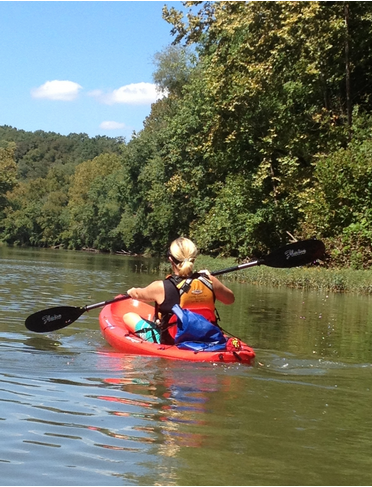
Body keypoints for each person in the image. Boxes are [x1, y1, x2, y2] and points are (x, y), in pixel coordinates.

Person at [125, 237, 235, 344]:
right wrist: (209, 277)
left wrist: (132, 291)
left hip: (172, 341)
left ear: (170, 259)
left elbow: (138, 295)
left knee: (128, 316)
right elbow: (230, 299)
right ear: (194, 258)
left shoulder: (160, 287)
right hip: (206, 336)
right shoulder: (210, 281)